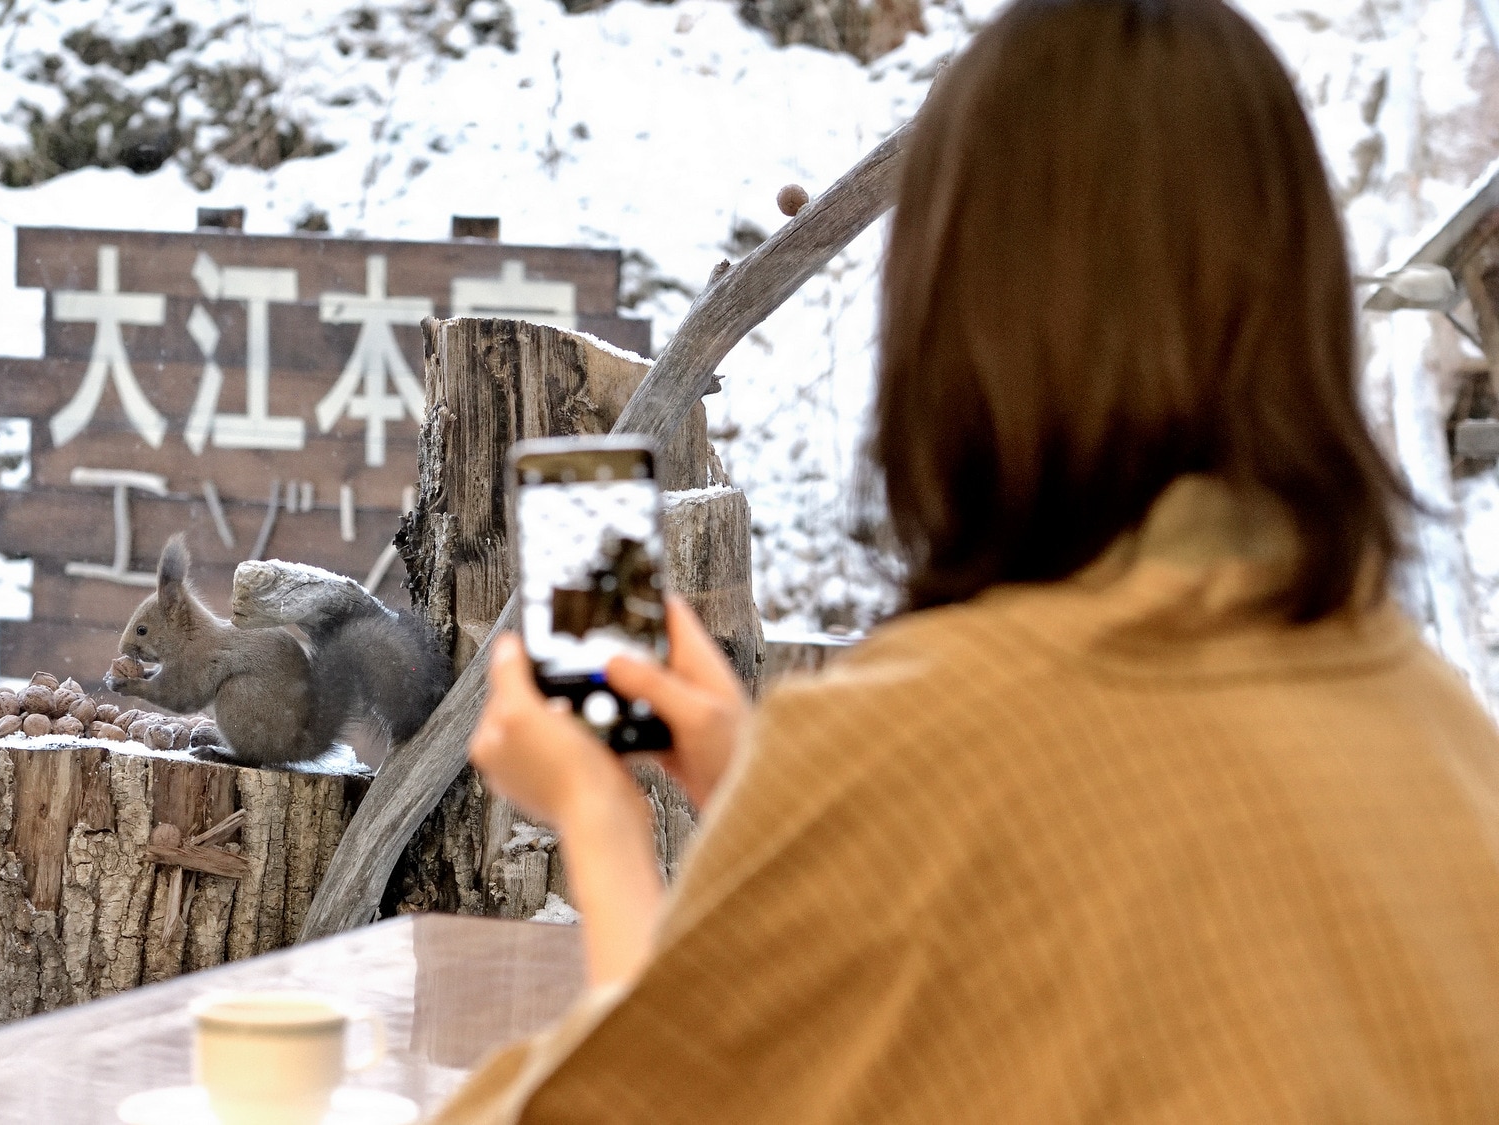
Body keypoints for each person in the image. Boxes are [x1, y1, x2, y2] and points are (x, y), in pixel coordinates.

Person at [431, 0, 1499, 1119]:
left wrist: (597, 818)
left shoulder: (918, 745)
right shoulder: (1440, 734)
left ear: (956, 327)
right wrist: (745, 783)